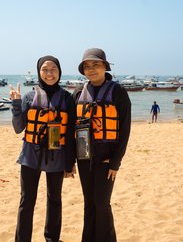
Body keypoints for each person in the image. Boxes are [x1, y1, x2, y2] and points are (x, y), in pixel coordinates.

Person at [10, 55, 76, 242]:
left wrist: (70, 163)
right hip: (30, 157)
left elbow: (71, 133)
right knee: (26, 201)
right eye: (45, 69)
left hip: (57, 157)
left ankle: (52, 238)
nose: (49, 73)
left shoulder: (67, 99)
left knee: (54, 199)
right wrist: (16, 104)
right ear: (39, 72)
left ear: (59, 72)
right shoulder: (30, 97)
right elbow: (18, 128)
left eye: (53, 69)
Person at [73, 48, 131, 242]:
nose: (91, 69)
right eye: (87, 66)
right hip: (83, 156)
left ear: (105, 67)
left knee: (102, 202)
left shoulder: (118, 92)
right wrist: (69, 160)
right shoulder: (79, 93)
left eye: (95, 65)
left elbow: (124, 130)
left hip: (106, 157)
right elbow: (69, 128)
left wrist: (116, 162)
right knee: (88, 202)